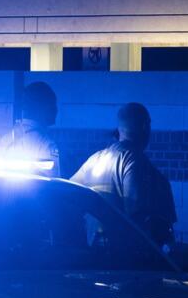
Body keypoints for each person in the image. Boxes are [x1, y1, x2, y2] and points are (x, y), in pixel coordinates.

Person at [70, 103, 176, 248]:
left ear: (120, 128)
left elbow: (69, 196)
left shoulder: (93, 160)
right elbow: (138, 218)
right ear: (145, 126)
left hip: (92, 256)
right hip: (124, 261)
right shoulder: (135, 161)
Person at [0, 82, 60, 176]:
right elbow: (52, 185)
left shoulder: (5, 139)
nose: (56, 110)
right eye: (53, 104)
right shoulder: (45, 143)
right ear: (42, 106)